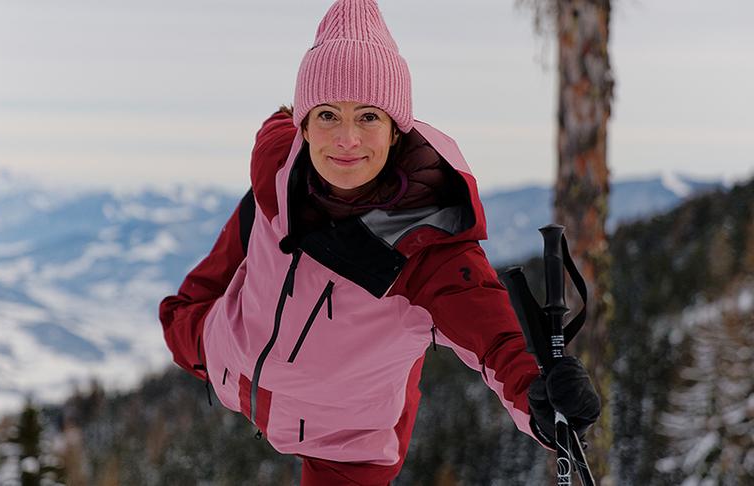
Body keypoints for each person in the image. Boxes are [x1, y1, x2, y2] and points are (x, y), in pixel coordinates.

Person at [159, 0, 600, 484]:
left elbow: (498, 341)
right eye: (328, 114)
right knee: (178, 317)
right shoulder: (279, 168)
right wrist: (201, 332)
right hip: (229, 364)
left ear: (395, 131)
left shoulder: (429, 245)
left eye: (368, 116)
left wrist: (541, 398)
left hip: (347, 447)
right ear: (302, 128)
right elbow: (244, 232)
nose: (346, 138)